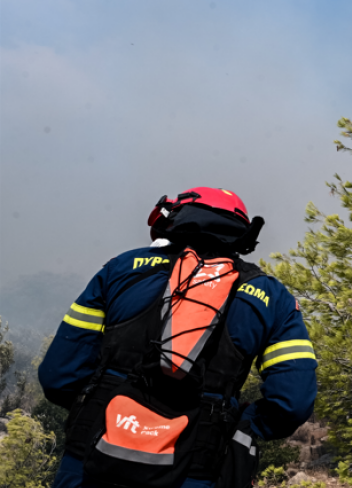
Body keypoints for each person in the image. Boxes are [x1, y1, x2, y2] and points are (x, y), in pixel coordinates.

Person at [39, 187, 317, 488]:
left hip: (90, 458)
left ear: (175, 218)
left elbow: (59, 376)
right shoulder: (273, 298)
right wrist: (246, 424)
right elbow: (292, 403)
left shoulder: (121, 269)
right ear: (242, 233)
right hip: (197, 468)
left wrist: (104, 407)